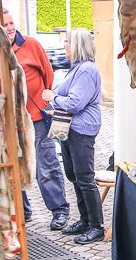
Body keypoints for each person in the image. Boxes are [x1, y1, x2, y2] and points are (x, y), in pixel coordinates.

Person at [0, 9, 70, 230]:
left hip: (36, 117)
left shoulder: (31, 45)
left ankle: (59, 210)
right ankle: (23, 210)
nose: (10, 27)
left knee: (47, 165)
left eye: (11, 22)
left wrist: (41, 99)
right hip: (10, 121)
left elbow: (48, 74)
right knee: (15, 164)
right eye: (4, 24)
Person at [42, 29, 103, 244]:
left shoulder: (86, 70)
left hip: (82, 129)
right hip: (70, 128)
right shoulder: (76, 69)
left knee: (84, 178)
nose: (64, 46)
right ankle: (85, 220)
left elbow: (75, 104)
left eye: (67, 42)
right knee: (73, 175)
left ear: (77, 45)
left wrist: (53, 97)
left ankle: (96, 226)